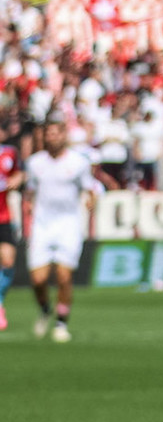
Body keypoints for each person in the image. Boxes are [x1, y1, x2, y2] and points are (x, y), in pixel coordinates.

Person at [22, 117, 106, 342]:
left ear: (63, 135)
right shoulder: (35, 163)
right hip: (42, 225)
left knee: (63, 276)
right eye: (48, 134)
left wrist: (92, 202)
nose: (52, 137)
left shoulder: (78, 162)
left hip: (68, 224)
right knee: (38, 280)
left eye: (55, 133)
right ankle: (44, 309)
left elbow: (91, 188)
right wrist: (28, 204)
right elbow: (30, 189)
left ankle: (61, 323)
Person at [0, 129, 21, 331]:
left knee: (7, 260)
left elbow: (19, 173)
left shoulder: (9, 153)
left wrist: (18, 179)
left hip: (4, 216)